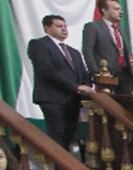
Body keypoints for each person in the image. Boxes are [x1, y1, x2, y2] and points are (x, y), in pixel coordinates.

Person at [28, 14, 92, 151]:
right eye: (59, 26)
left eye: (65, 26)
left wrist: (87, 86)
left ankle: (68, 168)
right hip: (52, 98)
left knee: (70, 135)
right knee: (58, 136)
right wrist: (76, 86)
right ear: (47, 28)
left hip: (73, 100)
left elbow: (83, 74)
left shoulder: (74, 52)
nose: (64, 29)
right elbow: (47, 71)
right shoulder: (39, 45)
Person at [82, 0, 132, 93]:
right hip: (105, 76)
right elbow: (87, 51)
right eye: (116, 9)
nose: (121, 12)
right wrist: (97, 72)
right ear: (104, 10)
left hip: (124, 76)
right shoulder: (93, 27)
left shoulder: (118, 30)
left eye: (120, 9)